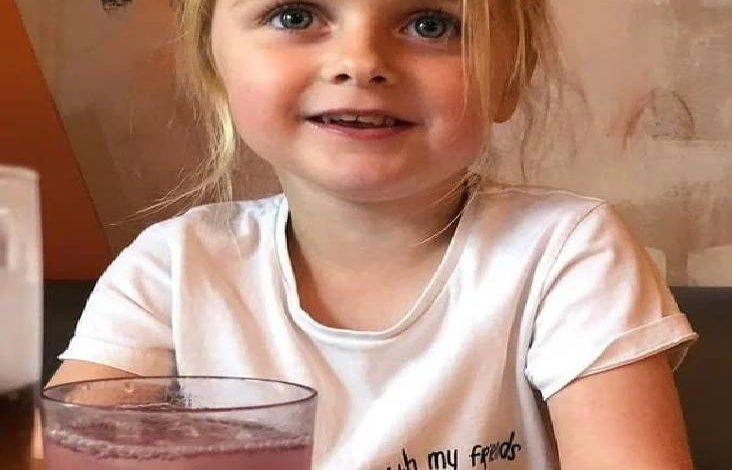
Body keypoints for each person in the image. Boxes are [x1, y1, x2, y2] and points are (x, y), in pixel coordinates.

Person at [49, 0, 698, 468]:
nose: (360, 62)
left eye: (430, 23)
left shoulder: (567, 251)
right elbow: (66, 448)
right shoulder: (172, 266)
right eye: (295, 15)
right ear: (212, 63)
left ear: (509, 76)